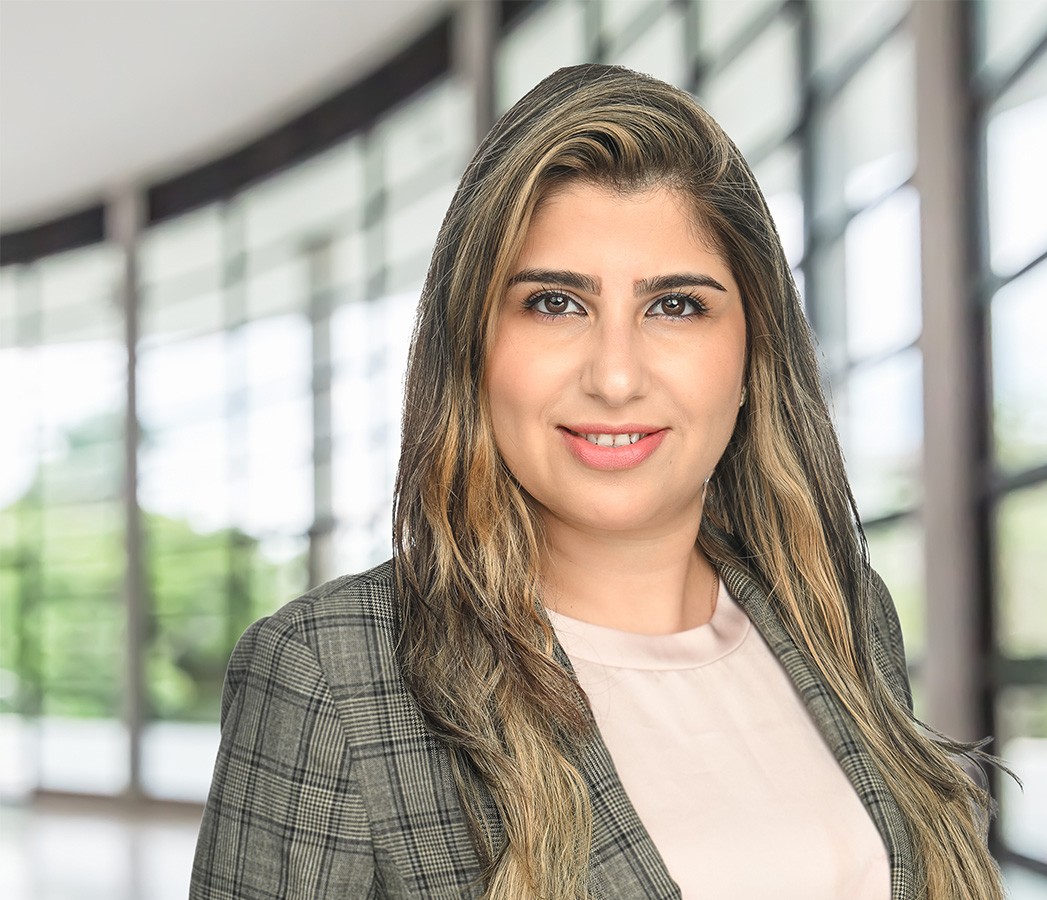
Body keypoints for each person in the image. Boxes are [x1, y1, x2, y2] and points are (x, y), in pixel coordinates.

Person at [191, 64, 1002, 900]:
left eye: (677, 306)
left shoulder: (839, 609)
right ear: (474, 346)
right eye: (554, 304)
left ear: (754, 356)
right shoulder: (331, 673)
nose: (616, 378)